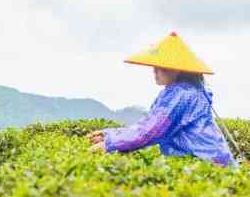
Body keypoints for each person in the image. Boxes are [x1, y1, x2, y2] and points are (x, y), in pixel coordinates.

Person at [88, 32, 236, 167]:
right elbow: (148, 124)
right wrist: (109, 134)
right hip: (216, 161)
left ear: (177, 69)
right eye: (155, 66)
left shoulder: (180, 93)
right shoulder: (189, 90)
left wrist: (109, 143)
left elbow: (151, 131)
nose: (154, 70)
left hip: (206, 164)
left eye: (161, 67)